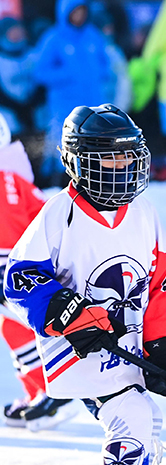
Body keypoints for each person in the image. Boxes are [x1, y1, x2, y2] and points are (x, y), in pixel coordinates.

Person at [4, 104, 166, 465]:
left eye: (128, 157)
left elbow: (160, 284)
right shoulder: (59, 214)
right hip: (77, 349)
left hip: (125, 344)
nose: (121, 167)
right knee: (130, 415)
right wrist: (66, 311)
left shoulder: (144, 213)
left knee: (146, 424)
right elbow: (19, 278)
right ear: (77, 161)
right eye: (107, 158)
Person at [0, 112, 76, 430]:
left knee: (24, 331)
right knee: (22, 329)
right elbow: (46, 215)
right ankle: (44, 393)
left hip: (10, 270)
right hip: (27, 266)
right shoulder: (15, 178)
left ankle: (53, 393)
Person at [33, 0, 115, 185]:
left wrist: (97, 74)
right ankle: (56, 184)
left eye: (83, 11)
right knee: (63, 150)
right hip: (64, 108)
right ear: (66, 12)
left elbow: (105, 65)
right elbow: (40, 72)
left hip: (94, 106)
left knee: (93, 150)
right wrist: (69, 75)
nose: (80, 15)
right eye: (75, 11)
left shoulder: (93, 36)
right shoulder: (53, 38)